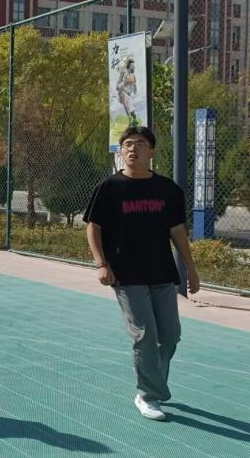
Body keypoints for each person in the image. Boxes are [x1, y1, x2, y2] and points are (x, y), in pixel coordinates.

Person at [84, 125, 200, 422]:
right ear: (121, 151)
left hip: (162, 272)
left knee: (170, 336)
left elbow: (177, 230)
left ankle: (153, 386)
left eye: (139, 143)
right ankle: (149, 396)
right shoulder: (109, 188)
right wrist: (101, 263)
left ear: (152, 151)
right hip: (126, 274)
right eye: (128, 144)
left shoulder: (168, 189)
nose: (133, 149)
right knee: (144, 335)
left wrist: (191, 268)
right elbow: (93, 228)